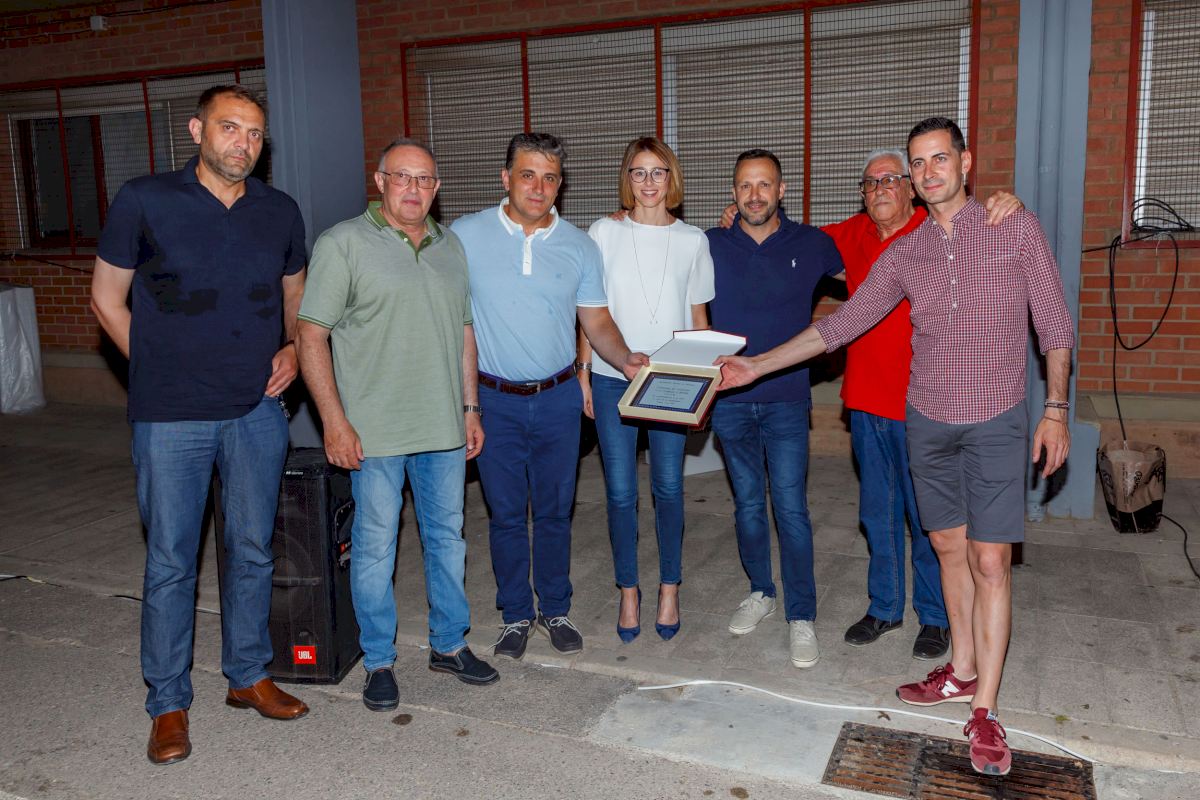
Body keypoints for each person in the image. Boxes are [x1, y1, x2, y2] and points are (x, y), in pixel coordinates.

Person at [716, 117, 1074, 776]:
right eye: (919, 163)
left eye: (939, 159)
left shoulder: (1012, 226)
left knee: (990, 560)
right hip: (928, 421)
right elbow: (842, 325)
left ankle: (985, 709)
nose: (929, 172)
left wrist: (1055, 409)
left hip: (997, 419)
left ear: (965, 162)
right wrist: (755, 365)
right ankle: (961, 669)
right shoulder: (906, 253)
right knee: (947, 549)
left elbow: (1053, 323)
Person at [90, 85, 309, 766]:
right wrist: (159, 367)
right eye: (229, 127)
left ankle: (247, 675)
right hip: (170, 416)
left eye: (254, 133)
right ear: (197, 130)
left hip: (255, 412)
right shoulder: (144, 199)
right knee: (170, 561)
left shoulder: (279, 210)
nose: (243, 143)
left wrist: (293, 347)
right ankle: (168, 703)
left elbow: (296, 292)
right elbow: (105, 299)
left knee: (252, 550)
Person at [296, 139, 498, 710]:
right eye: (403, 177)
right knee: (374, 548)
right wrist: (334, 422)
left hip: (442, 430)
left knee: (448, 541)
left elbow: (464, 332)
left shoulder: (449, 246)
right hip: (374, 434)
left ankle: (449, 644)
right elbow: (310, 336)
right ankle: (379, 660)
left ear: (437, 188)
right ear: (380, 181)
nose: (415, 188)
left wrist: (471, 408)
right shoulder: (342, 244)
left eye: (425, 179)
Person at [450, 133, 647, 659]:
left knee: (556, 513)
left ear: (561, 185)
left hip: (559, 398)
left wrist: (624, 358)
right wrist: (465, 403)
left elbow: (596, 321)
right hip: (494, 399)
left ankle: (555, 608)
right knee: (506, 515)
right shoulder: (465, 235)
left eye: (550, 178)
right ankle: (516, 614)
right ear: (505, 178)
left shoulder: (579, 246)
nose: (538, 188)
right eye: (528, 175)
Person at [707, 149, 845, 670]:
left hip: (788, 399)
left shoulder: (812, 243)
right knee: (746, 504)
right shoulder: (710, 243)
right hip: (729, 400)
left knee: (790, 507)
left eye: (764, 184)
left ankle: (801, 614)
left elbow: (871, 268)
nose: (754, 195)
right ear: (733, 192)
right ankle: (761, 591)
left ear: (782, 190)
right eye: (745, 185)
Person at [579, 137, 715, 643]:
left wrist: (704, 384)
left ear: (671, 178)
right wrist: (584, 372)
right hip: (612, 377)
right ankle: (629, 590)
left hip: (672, 382)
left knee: (669, 488)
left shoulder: (693, 240)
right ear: (627, 179)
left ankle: (669, 588)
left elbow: (699, 319)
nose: (649, 182)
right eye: (639, 172)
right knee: (619, 493)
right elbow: (589, 310)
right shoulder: (603, 232)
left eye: (658, 172)